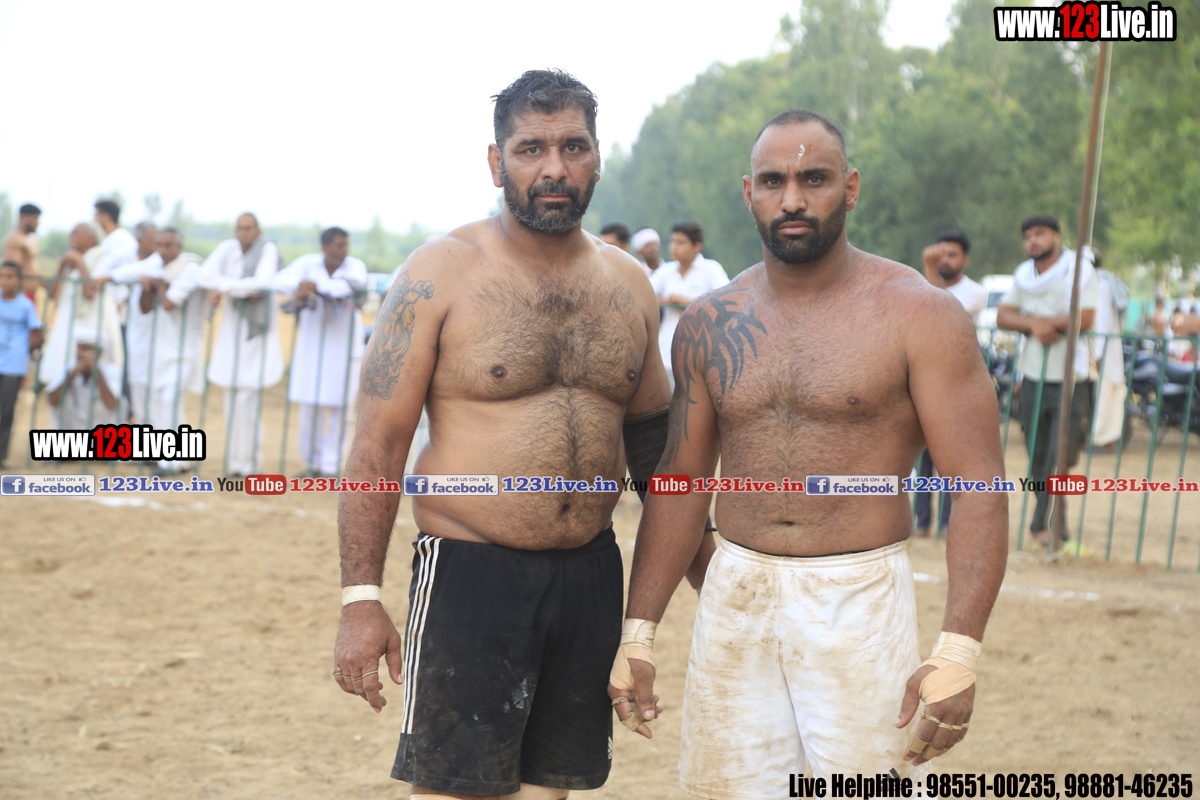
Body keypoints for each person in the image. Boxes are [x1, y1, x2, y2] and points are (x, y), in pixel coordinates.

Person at [332, 69, 710, 800]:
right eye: (531, 149)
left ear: (597, 157)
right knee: (455, 791)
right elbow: (377, 447)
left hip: (590, 575)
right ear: (496, 161)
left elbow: (653, 453)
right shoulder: (439, 273)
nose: (554, 168)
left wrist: (710, 571)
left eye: (573, 147)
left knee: (549, 791)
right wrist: (360, 599)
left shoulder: (630, 284)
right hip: (471, 573)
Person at [610, 109, 1007, 786]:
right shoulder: (710, 323)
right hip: (735, 594)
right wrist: (638, 632)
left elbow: (978, 484)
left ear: (849, 188)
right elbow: (680, 483)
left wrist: (959, 650)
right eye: (773, 181)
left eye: (814, 179)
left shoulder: (919, 315)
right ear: (749, 193)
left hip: (859, 596)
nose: (792, 199)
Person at [996, 215, 1097, 546]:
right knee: (1038, 456)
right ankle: (1045, 525)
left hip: (1071, 377)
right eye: (1027, 236)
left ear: (1056, 235)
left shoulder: (1079, 270)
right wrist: (1035, 325)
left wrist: (1038, 322)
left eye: (1039, 234)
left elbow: (1085, 317)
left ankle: (1053, 527)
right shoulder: (1024, 275)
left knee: (1060, 457)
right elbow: (1003, 315)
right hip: (1033, 376)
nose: (1033, 241)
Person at [271, 226, 367, 477]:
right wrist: (301, 285)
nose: (344, 250)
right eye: (338, 245)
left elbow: (346, 288)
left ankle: (331, 465)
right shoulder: (308, 263)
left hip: (344, 345)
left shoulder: (355, 266)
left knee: (340, 406)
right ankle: (312, 463)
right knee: (309, 405)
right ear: (324, 247)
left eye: (346, 245)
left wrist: (316, 285)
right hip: (312, 345)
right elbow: (278, 281)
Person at [914, 229, 987, 535]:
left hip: (957, 384)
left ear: (965, 260)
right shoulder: (919, 285)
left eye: (952, 255)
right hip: (924, 381)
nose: (944, 260)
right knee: (921, 457)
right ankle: (921, 521)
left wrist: (928, 271)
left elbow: (940, 312)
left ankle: (947, 522)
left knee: (949, 458)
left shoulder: (975, 292)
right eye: (940, 253)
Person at [200, 213, 284, 476]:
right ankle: (235, 462)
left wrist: (225, 286)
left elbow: (262, 282)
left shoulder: (267, 248)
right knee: (231, 398)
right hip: (231, 333)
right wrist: (237, 288)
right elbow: (204, 276)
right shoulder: (228, 249)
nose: (243, 232)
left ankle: (250, 464)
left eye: (248, 228)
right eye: (239, 227)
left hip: (256, 334)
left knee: (248, 400)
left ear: (257, 230)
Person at [133, 227, 207, 474]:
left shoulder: (190, 268)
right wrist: (148, 287)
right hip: (160, 348)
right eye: (159, 245)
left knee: (170, 401)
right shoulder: (156, 268)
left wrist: (159, 285)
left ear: (179, 246)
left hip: (184, 349)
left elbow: (168, 303)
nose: (162, 250)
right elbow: (145, 308)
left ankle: (172, 463)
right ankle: (179, 460)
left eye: (167, 245)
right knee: (159, 403)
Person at [37, 223, 125, 403]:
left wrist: (79, 262)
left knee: (90, 370)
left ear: (92, 238)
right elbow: (52, 294)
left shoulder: (102, 257)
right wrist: (62, 265)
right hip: (68, 321)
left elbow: (90, 292)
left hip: (92, 321)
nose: (71, 236)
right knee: (63, 369)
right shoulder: (70, 259)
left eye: (76, 232)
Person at [649, 221, 728, 389]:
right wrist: (669, 301)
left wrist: (686, 303)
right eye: (673, 241)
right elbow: (644, 292)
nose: (674, 247)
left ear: (696, 246)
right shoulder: (667, 270)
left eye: (681, 242)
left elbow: (725, 301)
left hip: (702, 353)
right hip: (666, 352)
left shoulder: (711, 269)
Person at [102, 221, 162, 422]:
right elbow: (105, 276)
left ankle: (134, 415)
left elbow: (133, 272)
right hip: (118, 320)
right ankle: (124, 412)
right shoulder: (123, 256)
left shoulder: (157, 260)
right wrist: (118, 297)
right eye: (153, 238)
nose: (157, 242)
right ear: (140, 239)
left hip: (142, 324)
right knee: (121, 364)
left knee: (138, 370)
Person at [0, 261, 44, 466]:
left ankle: (1, 456)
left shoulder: (25, 305)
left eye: (9, 276)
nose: (4, 280)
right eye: (1, 276)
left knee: (6, 411)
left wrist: (23, 350)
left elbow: (38, 334)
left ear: (19, 280)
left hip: (13, 366)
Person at [1090, 252, 1130, 449]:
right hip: (1104, 347)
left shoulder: (1102, 284)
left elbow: (1102, 322)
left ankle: (1102, 439)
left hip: (1103, 349)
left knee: (1105, 393)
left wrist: (1097, 354)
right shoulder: (1099, 282)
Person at [45, 334, 120, 429]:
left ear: (99, 352)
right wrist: (72, 375)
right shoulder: (66, 370)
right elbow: (52, 401)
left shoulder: (113, 372)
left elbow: (111, 404)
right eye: (78, 348)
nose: (79, 353)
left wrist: (96, 372)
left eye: (85, 349)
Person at [2, 203, 41, 301]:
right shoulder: (14, 239)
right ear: (23, 217)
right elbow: (13, 271)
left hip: (31, 292)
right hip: (22, 294)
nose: (37, 223)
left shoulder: (29, 238)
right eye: (35, 218)